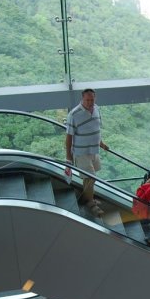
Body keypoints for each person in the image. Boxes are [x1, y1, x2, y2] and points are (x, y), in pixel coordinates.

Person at [65, 88, 110, 216]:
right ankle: (90, 203)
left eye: (92, 99)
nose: (90, 102)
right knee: (91, 177)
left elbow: (96, 129)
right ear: (82, 99)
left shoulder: (96, 109)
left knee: (89, 179)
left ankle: (89, 198)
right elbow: (69, 137)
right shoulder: (74, 114)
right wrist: (68, 157)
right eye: (87, 100)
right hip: (81, 152)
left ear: (95, 98)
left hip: (94, 150)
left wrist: (102, 144)